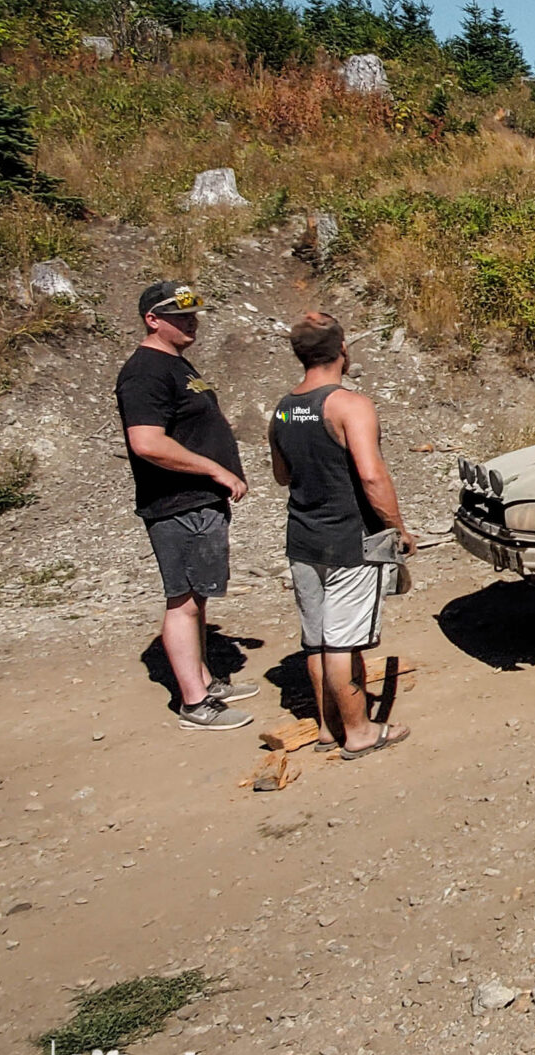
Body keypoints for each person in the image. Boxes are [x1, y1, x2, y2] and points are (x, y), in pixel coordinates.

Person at [268, 312, 413, 759]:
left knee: (316, 638)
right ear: (342, 349)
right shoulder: (350, 405)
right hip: (352, 538)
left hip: (304, 536)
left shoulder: (285, 407)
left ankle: (329, 728)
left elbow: (281, 474)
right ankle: (360, 732)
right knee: (342, 640)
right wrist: (398, 529)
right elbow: (371, 477)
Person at [117, 280, 259, 730]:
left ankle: (205, 681)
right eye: (179, 315)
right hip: (178, 503)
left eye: (193, 313)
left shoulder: (174, 365)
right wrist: (214, 470)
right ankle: (195, 704)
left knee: (197, 596)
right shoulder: (145, 371)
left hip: (197, 501)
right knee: (183, 600)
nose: (190, 320)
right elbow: (146, 442)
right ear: (152, 320)